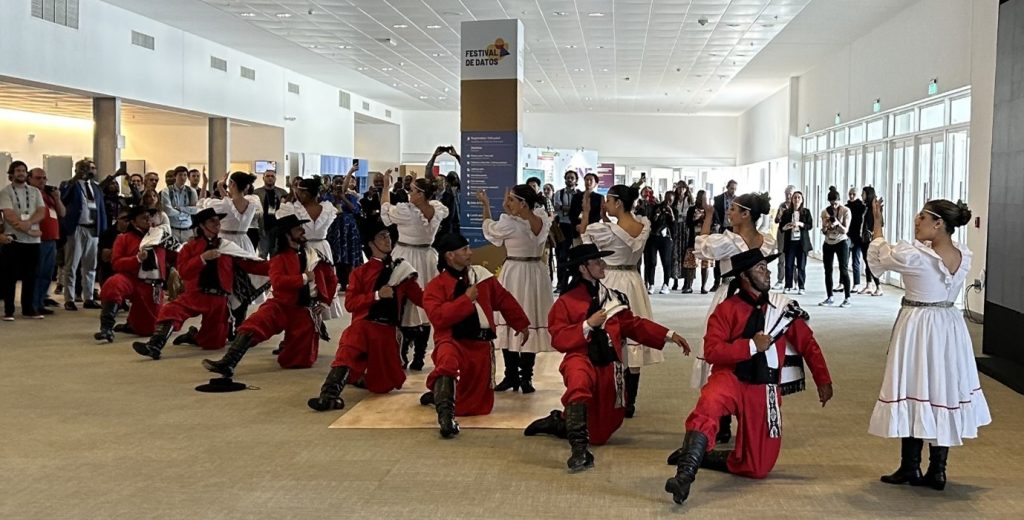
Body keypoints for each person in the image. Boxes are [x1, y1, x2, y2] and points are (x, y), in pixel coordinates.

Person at [664, 248, 833, 505]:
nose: (768, 272)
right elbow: (712, 351)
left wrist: (823, 379)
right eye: (761, 269)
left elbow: (808, 343)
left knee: (758, 468)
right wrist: (751, 346)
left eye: (767, 267)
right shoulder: (726, 310)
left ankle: (704, 456)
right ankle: (684, 476)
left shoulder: (783, 308)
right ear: (744, 276)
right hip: (730, 376)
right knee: (708, 405)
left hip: (764, 386)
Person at [524, 243, 690, 472]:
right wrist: (586, 325)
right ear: (583, 268)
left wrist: (669, 335)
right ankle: (579, 451)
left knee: (601, 433)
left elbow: (633, 325)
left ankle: (559, 422)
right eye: (596, 262)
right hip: (580, 356)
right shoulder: (566, 302)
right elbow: (559, 339)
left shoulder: (613, 298)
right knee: (578, 384)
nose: (603, 265)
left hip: (609, 363)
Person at [867, 198, 990, 491]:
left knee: (914, 385)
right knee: (940, 387)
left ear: (939, 224)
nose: (916, 220)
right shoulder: (964, 254)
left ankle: (912, 466)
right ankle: (936, 470)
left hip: (919, 325)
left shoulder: (915, 255)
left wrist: (878, 223)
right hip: (949, 326)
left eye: (922, 217)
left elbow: (879, 256)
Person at [420, 233, 530, 438]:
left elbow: (503, 299)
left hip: (481, 343)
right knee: (447, 364)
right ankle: (445, 417)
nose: (470, 252)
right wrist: (465, 300)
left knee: (479, 406)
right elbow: (438, 318)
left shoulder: (482, 277)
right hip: (452, 340)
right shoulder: (436, 286)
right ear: (450, 256)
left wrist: (520, 322)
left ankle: (438, 396)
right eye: (465, 250)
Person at [307, 218, 425, 411]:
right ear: (371, 243)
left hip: (387, 332)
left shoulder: (402, 271)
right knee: (350, 343)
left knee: (383, 386)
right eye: (382, 236)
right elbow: (351, 304)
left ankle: (358, 376)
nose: (388, 240)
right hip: (364, 325)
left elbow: (422, 299)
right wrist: (377, 295)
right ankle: (329, 394)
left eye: (388, 236)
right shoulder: (360, 273)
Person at [201, 214, 338, 376]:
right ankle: (228, 362)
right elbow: (278, 281)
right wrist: (303, 278)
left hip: (304, 311)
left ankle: (287, 345)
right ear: (287, 234)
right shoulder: (280, 259)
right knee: (252, 326)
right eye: (298, 228)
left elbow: (332, 279)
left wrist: (324, 302)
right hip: (280, 305)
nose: (303, 231)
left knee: (298, 361)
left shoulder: (315, 256)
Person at [690, 192, 777, 442]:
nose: (728, 212)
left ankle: (723, 423)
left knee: (726, 351)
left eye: (733, 209)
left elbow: (701, 246)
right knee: (752, 351)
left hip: (730, 297)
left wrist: (707, 217)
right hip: (759, 301)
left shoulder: (728, 240)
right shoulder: (767, 242)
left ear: (746, 214)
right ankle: (746, 420)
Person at [132, 207, 268, 358]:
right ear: (202, 226)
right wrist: (202, 258)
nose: (217, 224)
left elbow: (251, 264)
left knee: (213, 343)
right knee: (171, 310)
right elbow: (183, 272)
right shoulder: (189, 247)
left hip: (219, 300)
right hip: (195, 295)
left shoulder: (227, 246)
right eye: (212, 221)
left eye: (218, 221)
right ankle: (155, 344)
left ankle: (193, 336)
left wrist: (276, 266)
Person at [580, 184, 659, 418]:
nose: (605, 204)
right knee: (633, 336)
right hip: (633, 279)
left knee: (610, 335)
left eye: (608, 200)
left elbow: (584, 238)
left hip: (613, 278)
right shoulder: (643, 225)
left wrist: (588, 213)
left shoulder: (603, 229)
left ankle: (613, 395)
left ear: (618, 203)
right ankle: (630, 401)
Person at [478, 185, 553, 394]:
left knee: (510, 316)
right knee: (529, 316)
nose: (508, 203)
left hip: (516, 272)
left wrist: (485, 206)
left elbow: (489, 231)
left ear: (523, 204)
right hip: (536, 272)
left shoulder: (510, 223)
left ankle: (513, 374)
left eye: (511, 199)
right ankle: (524, 377)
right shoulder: (542, 219)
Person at [380, 170, 448, 370]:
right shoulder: (438, 209)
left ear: (420, 194)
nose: (409, 194)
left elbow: (385, 212)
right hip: (427, 258)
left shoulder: (406, 211)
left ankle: (403, 352)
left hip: (406, 257)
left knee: (403, 301)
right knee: (426, 302)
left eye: (412, 191)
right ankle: (419, 355)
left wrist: (385, 187)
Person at [200, 172, 265, 329]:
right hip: (243, 242)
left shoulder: (220, 205)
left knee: (226, 283)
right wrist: (222, 189)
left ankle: (226, 323)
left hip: (226, 244)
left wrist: (216, 187)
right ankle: (239, 321)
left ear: (233, 184)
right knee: (242, 283)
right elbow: (232, 203)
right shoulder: (252, 202)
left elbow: (203, 205)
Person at [93, 205, 167, 342]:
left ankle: (131, 324)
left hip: (152, 285)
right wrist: (137, 259)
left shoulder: (162, 238)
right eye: (143, 217)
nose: (148, 220)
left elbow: (180, 253)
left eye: (149, 217)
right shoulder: (124, 238)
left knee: (148, 330)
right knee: (113, 284)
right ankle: (106, 328)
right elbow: (116, 263)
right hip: (131, 279)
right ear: (133, 222)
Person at [276, 177, 344, 320]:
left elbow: (280, 217)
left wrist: (290, 196)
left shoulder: (293, 208)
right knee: (323, 280)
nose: (297, 194)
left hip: (304, 248)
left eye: (299, 191)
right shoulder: (327, 208)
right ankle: (319, 312)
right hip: (322, 247)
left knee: (307, 281)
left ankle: (305, 313)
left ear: (305, 193)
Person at [0, 161, 46, 320]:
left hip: (33, 241)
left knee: (31, 276)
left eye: (24, 171)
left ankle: (29, 308)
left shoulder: (35, 191)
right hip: (13, 240)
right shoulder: (5, 192)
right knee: (10, 277)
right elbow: (9, 214)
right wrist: (27, 228)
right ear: (11, 174)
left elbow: (41, 211)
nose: (21, 173)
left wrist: (29, 223)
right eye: (18, 170)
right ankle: (9, 310)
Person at [60, 159, 106, 310]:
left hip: (92, 228)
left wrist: (102, 229)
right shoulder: (70, 185)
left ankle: (89, 297)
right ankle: (69, 299)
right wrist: (75, 179)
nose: (88, 171)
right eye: (85, 168)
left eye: (91, 168)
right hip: (77, 228)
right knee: (72, 264)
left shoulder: (96, 187)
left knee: (90, 264)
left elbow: (101, 209)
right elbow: (63, 198)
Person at [28, 168, 65, 316]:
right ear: (30, 179)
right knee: (37, 272)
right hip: (38, 239)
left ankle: (41, 301)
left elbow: (62, 213)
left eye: (44, 178)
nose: (42, 181)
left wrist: (57, 198)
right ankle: (33, 303)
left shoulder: (48, 195)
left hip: (51, 239)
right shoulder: (30, 194)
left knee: (47, 273)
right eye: (38, 178)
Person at [324, 167, 363, 292]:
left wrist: (343, 197)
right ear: (332, 184)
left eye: (341, 182)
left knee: (349, 254)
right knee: (336, 254)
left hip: (349, 229)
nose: (339, 185)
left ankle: (350, 281)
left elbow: (355, 210)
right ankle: (337, 280)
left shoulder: (350, 196)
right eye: (337, 182)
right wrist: (336, 198)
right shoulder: (328, 197)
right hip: (335, 229)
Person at [820, 186, 852, 307]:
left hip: (841, 241)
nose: (834, 206)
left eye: (836, 203)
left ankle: (847, 297)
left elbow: (845, 230)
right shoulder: (824, 212)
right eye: (832, 204)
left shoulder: (846, 211)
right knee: (828, 270)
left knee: (843, 269)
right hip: (828, 242)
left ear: (839, 201)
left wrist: (837, 222)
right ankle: (830, 296)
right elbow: (823, 230)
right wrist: (826, 225)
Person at [552, 170, 581, 292]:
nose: (570, 180)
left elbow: (579, 210)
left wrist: (566, 209)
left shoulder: (580, 194)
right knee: (561, 256)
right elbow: (557, 208)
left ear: (576, 180)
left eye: (572, 178)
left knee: (576, 255)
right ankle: (561, 283)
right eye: (568, 177)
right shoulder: (559, 193)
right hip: (562, 227)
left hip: (576, 227)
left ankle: (576, 284)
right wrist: (571, 210)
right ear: (565, 179)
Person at [780, 191, 812, 295]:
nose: (796, 200)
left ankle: (801, 286)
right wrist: (786, 227)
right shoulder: (786, 213)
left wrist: (800, 224)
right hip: (790, 242)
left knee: (801, 265)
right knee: (788, 265)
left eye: (799, 198)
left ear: (802, 200)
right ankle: (788, 285)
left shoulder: (806, 212)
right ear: (792, 200)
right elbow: (781, 227)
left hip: (801, 243)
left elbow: (809, 226)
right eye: (795, 198)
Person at [425, 145, 462, 237]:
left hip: (449, 230)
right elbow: (428, 171)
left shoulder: (452, 194)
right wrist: (434, 156)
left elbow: (467, 170)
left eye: (442, 181)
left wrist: (457, 156)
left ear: (446, 183)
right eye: (437, 181)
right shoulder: (431, 195)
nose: (440, 183)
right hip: (433, 230)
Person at [644, 191, 675, 295]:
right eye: (666, 199)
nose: (668, 202)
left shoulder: (673, 210)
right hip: (653, 237)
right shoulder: (657, 207)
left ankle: (666, 284)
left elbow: (674, 228)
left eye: (670, 200)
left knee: (666, 262)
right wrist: (656, 216)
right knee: (651, 261)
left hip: (666, 238)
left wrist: (672, 215)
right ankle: (651, 284)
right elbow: (651, 222)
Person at [682, 190, 712, 294]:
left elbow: (715, 222)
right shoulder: (691, 209)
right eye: (700, 198)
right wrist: (699, 220)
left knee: (705, 264)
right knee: (691, 264)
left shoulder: (709, 210)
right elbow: (688, 224)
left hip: (706, 241)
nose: (702, 200)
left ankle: (703, 287)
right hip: (693, 240)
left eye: (704, 198)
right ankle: (689, 286)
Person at [710, 180, 739, 291]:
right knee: (719, 257)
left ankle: (728, 282)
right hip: (721, 229)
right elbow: (715, 213)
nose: (733, 191)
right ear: (727, 187)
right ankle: (716, 282)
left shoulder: (738, 200)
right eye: (731, 188)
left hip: (733, 230)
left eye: (735, 189)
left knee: (732, 257)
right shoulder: (718, 199)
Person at [254, 170, 288, 258]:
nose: (270, 178)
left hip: (277, 227)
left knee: (276, 254)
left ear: (275, 178)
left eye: (272, 176)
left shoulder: (282, 192)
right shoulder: (257, 193)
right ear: (263, 178)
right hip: (263, 226)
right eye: (268, 176)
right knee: (262, 253)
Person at [161, 166, 199, 243]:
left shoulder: (191, 191)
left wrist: (180, 208)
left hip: (188, 228)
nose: (183, 177)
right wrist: (187, 211)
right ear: (175, 176)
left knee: (188, 252)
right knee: (173, 253)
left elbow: (195, 210)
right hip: (173, 229)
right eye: (180, 175)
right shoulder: (166, 191)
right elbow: (168, 211)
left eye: (185, 175)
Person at [858, 186, 884, 296]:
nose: (861, 195)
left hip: (870, 239)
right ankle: (869, 285)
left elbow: (880, 222)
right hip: (864, 238)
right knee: (866, 261)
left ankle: (878, 286)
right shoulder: (866, 207)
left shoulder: (874, 208)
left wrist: (871, 232)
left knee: (871, 263)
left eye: (863, 193)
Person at [772, 185, 796, 290]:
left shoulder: (796, 205)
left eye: (790, 194)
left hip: (792, 234)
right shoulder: (782, 205)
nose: (788, 196)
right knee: (781, 256)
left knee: (793, 258)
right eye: (786, 194)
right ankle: (780, 280)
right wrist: (780, 214)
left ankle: (795, 281)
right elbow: (776, 221)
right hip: (782, 233)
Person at [669, 183, 692, 291]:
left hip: (685, 228)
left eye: (683, 188)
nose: (680, 190)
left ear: (686, 189)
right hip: (676, 228)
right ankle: (675, 281)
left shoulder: (690, 200)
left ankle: (687, 282)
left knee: (686, 255)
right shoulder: (674, 200)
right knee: (675, 255)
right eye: (679, 188)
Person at [846, 187, 866, 291]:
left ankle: (856, 283)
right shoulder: (846, 207)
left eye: (853, 194)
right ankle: (842, 283)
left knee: (855, 261)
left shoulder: (862, 207)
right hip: (848, 236)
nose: (851, 196)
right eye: (850, 194)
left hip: (858, 238)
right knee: (844, 261)